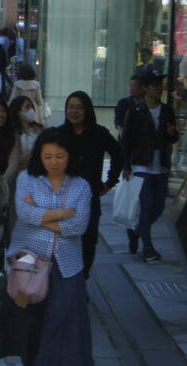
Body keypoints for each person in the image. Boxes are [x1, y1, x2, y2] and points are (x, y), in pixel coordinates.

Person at [0, 128, 94, 366]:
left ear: (70, 156)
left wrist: (42, 216)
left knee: (62, 324)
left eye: (60, 156)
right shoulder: (27, 179)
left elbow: (79, 226)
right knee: (31, 322)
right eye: (47, 156)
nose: (54, 161)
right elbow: (25, 214)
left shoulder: (82, 186)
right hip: (30, 262)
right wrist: (63, 214)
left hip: (67, 265)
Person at [58, 91, 123, 277]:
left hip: (89, 198)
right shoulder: (58, 135)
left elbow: (118, 155)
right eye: (70, 107)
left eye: (79, 107)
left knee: (88, 241)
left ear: (87, 110)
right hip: (63, 199)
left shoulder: (99, 133)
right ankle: (67, 281)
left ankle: (81, 279)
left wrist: (110, 182)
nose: (74, 111)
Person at [121, 70, 178, 262]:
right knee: (146, 206)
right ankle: (148, 247)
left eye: (161, 85)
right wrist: (126, 165)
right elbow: (126, 139)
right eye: (156, 85)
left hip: (160, 165)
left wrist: (171, 133)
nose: (160, 89)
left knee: (158, 207)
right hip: (141, 165)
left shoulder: (167, 110)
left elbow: (173, 137)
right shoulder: (136, 110)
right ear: (145, 88)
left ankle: (137, 231)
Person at [9, 95, 43, 169]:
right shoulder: (12, 134)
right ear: (18, 112)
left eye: (32, 107)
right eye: (27, 107)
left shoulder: (40, 129)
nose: (31, 110)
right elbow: (18, 160)